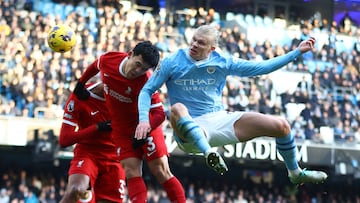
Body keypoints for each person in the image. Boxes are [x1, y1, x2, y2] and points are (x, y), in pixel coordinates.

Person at [135, 25, 328, 185]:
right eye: (193, 39)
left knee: (281, 126)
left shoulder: (223, 62)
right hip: (188, 130)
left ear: (211, 49)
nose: (194, 44)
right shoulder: (172, 61)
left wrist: (297, 52)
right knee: (177, 108)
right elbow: (147, 90)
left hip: (218, 120)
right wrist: (143, 119)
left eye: (200, 43)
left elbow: (262, 67)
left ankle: (295, 173)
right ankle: (209, 153)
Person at [73, 41, 186, 202]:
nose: (138, 71)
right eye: (138, 64)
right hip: (122, 129)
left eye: (144, 69)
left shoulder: (147, 82)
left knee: (160, 170)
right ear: (130, 54)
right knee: (131, 171)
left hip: (145, 125)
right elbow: (95, 65)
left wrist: (145, 127)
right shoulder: (109, 60)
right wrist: (81, 83)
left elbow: (159, 113)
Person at [59, 81, 126, 203]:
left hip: (115, 157)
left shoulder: (129, 97)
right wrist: (96, 128)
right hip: (88, 153)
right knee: (75, 190)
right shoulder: (80, 96)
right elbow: (64, 140)